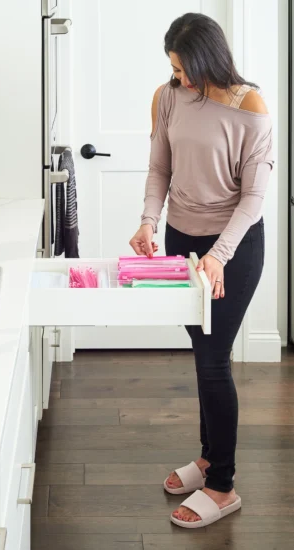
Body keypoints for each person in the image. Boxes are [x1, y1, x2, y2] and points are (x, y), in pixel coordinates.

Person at [129, 12, 273, 529]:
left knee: (214, 360)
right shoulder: (168, 95)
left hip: (231, 247)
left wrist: (218, 256)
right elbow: (159, 168)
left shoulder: (250, 108)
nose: (179, 78)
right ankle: (209, 456)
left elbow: (253, 199)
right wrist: (149, 222)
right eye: (172, 68)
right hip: (181, 241)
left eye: (185, 68)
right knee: (201, 351)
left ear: (209, 59)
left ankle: (223, 485)